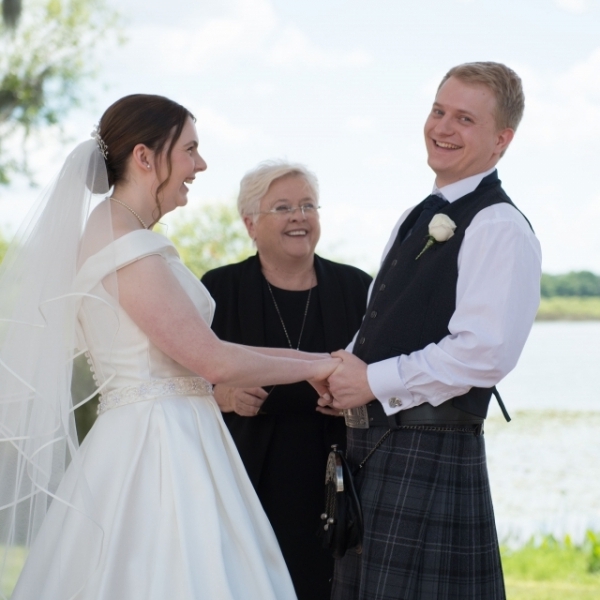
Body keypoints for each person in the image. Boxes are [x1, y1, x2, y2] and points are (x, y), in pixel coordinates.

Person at [0, 94, 341, 600]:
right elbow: (212, 359)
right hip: (158, 449)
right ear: (144, 156)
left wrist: (318, 363)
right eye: (190, 150)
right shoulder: (124, 243)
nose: (199, 165)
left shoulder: (119, 233)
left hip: (164, 432)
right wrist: (319, 364)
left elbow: (209, 349)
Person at [318, 62, 542, 599]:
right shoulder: (418, 214)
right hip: (374, 445)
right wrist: (344, 370)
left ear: (501, 139)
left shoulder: (499, 226)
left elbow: (484, 354)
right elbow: (385, 319)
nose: (442, 127)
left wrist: (372, 380)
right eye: (438, 110)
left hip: (431, 449)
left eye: (464, 118)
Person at [201, 161, 372, 600]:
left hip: (338, 477)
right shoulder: (217, 289)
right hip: (247, 471)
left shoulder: (357, 288)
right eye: (283, 207)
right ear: (250, 224)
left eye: (308, 205)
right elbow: (178, 381)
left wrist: (354, 398)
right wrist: (222, 394)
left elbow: (382, 377)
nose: (300, 216)